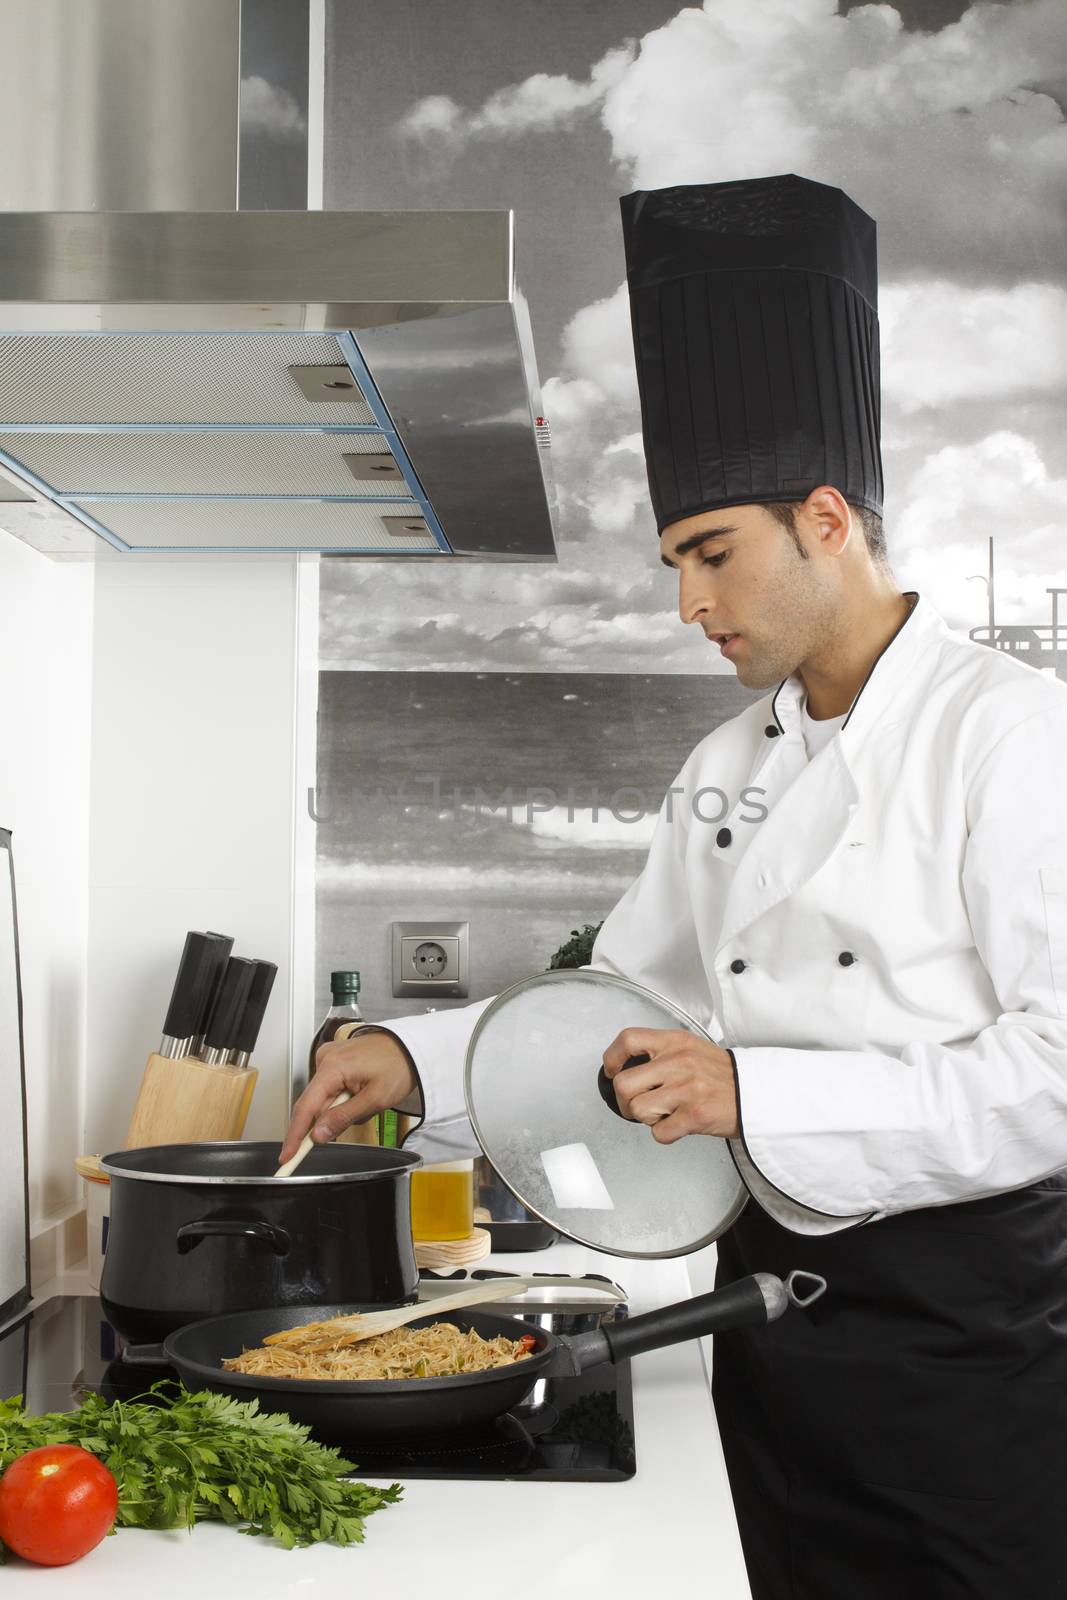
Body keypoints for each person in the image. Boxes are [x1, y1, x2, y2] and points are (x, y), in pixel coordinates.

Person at [281, 175, 1067, 1598]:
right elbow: (628, 1006)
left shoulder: (1014, 735)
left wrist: (754, 1094)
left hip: (968, 1349)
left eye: (713, 554)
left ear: (829, 519)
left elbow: (1056, 1071)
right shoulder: (730, 758)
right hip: (770, 1318)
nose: (688, 604)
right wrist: (412, 1055)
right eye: (673, 563)